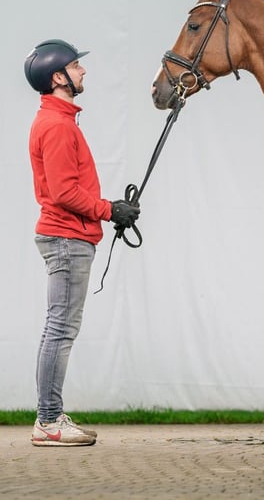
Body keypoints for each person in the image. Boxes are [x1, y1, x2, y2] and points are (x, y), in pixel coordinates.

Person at [24, 39, 140, 446]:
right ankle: (49, 421)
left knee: (57, 329)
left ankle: (49, 416)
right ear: (58, 77)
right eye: (76, 66)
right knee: (60, 329)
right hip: (66, 239)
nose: (83, 71)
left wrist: (108, 209)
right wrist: (110, 210)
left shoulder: (60, 120)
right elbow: (62, 193)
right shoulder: (56, 126)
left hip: (66, 237)